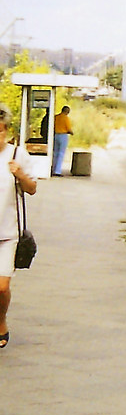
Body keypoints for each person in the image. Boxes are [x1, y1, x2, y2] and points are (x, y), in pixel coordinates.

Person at [0, 103, 39, 348]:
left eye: (0, 130)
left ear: (6, 131)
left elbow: (32, 189)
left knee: (2, 287)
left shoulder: (16, 156)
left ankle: (0, 320)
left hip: (7, 233)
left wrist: (20, 175)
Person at [52, 105, 73, 176]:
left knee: (55, 153)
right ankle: (57, 171)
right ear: (67, 111)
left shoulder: (56, 117)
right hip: (63, 135)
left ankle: (53, 169)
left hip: (56, 135)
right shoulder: (66, 118)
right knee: (61, 153)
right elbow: (69, 129)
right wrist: (71, 132)